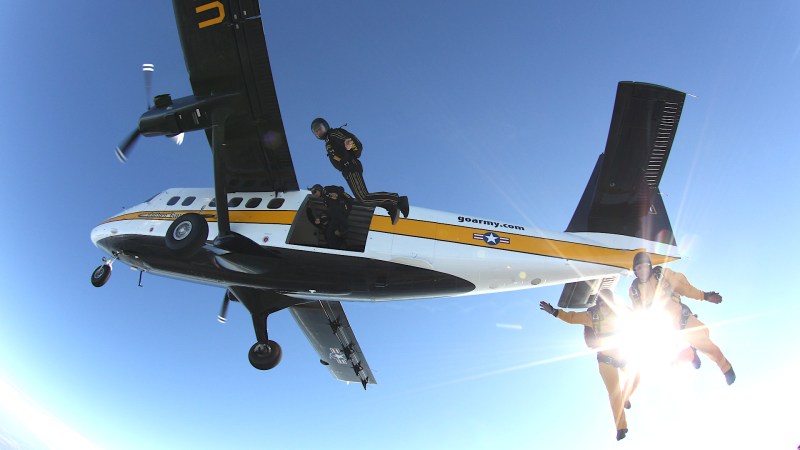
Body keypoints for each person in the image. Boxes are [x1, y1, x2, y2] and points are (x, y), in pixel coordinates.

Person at [540, 290, 640, 441]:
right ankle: (621, 427)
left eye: (607, 303)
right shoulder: (592, 316)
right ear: (598, 303)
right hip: (606, 360)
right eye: (601, 302)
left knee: (636, 377)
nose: (604, 306)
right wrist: (554, 312)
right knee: (614, 394)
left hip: (622, 355)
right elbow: (572, 318)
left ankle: (626, 398)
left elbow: (637, 316)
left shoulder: (621, 312)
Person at [629, 252, 735, 385]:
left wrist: (704, 296)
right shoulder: (634, 290)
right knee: (667, 355)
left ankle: (721, 365)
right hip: (659, 326)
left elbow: (684, 287)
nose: (642, 270)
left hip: (680, 317)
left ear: (650, 267)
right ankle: (691, 353)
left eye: (645, 266)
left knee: (705, 338)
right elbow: (638, 312)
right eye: (638, 268)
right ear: (635, 271)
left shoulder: (661, 274)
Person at [311, 118, 409, 225]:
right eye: (316, 131)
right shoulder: (328, 142)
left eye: (319, 128)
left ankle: (398, 200)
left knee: (363, 197)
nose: (318, 132)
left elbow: (348, 140)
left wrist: (349, 144)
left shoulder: (333, 134)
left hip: (350, 166)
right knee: (363, 197)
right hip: (347, 170)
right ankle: (391, 206)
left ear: (325, 126)